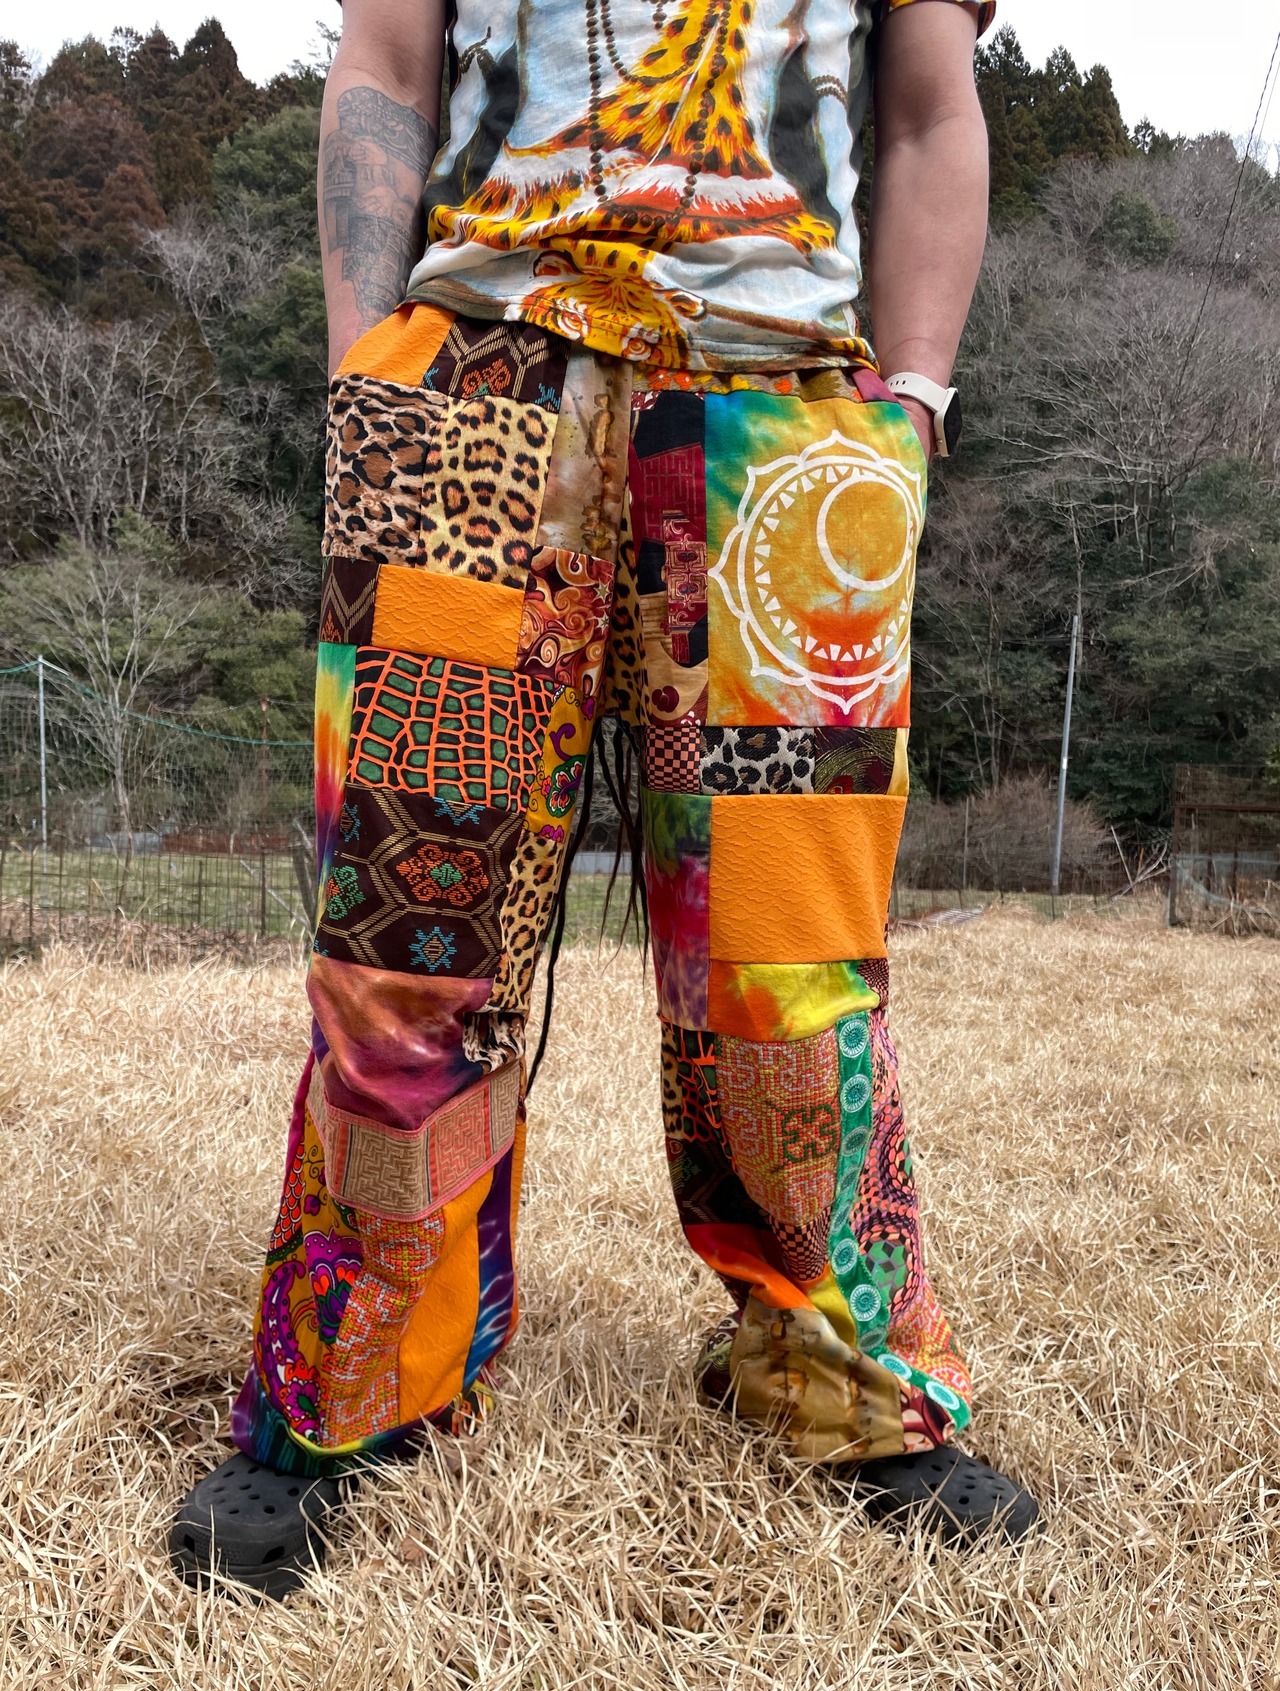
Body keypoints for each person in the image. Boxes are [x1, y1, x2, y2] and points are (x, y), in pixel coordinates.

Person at [170, 0, 1039, 1598]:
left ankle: (841, 1383)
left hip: (787, 414)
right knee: (413, 929)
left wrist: (915, 401)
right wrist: (371, 372)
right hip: (470, 388)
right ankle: (357, 1385)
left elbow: (928, 108)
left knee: (786, 956)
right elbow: (385, 62)